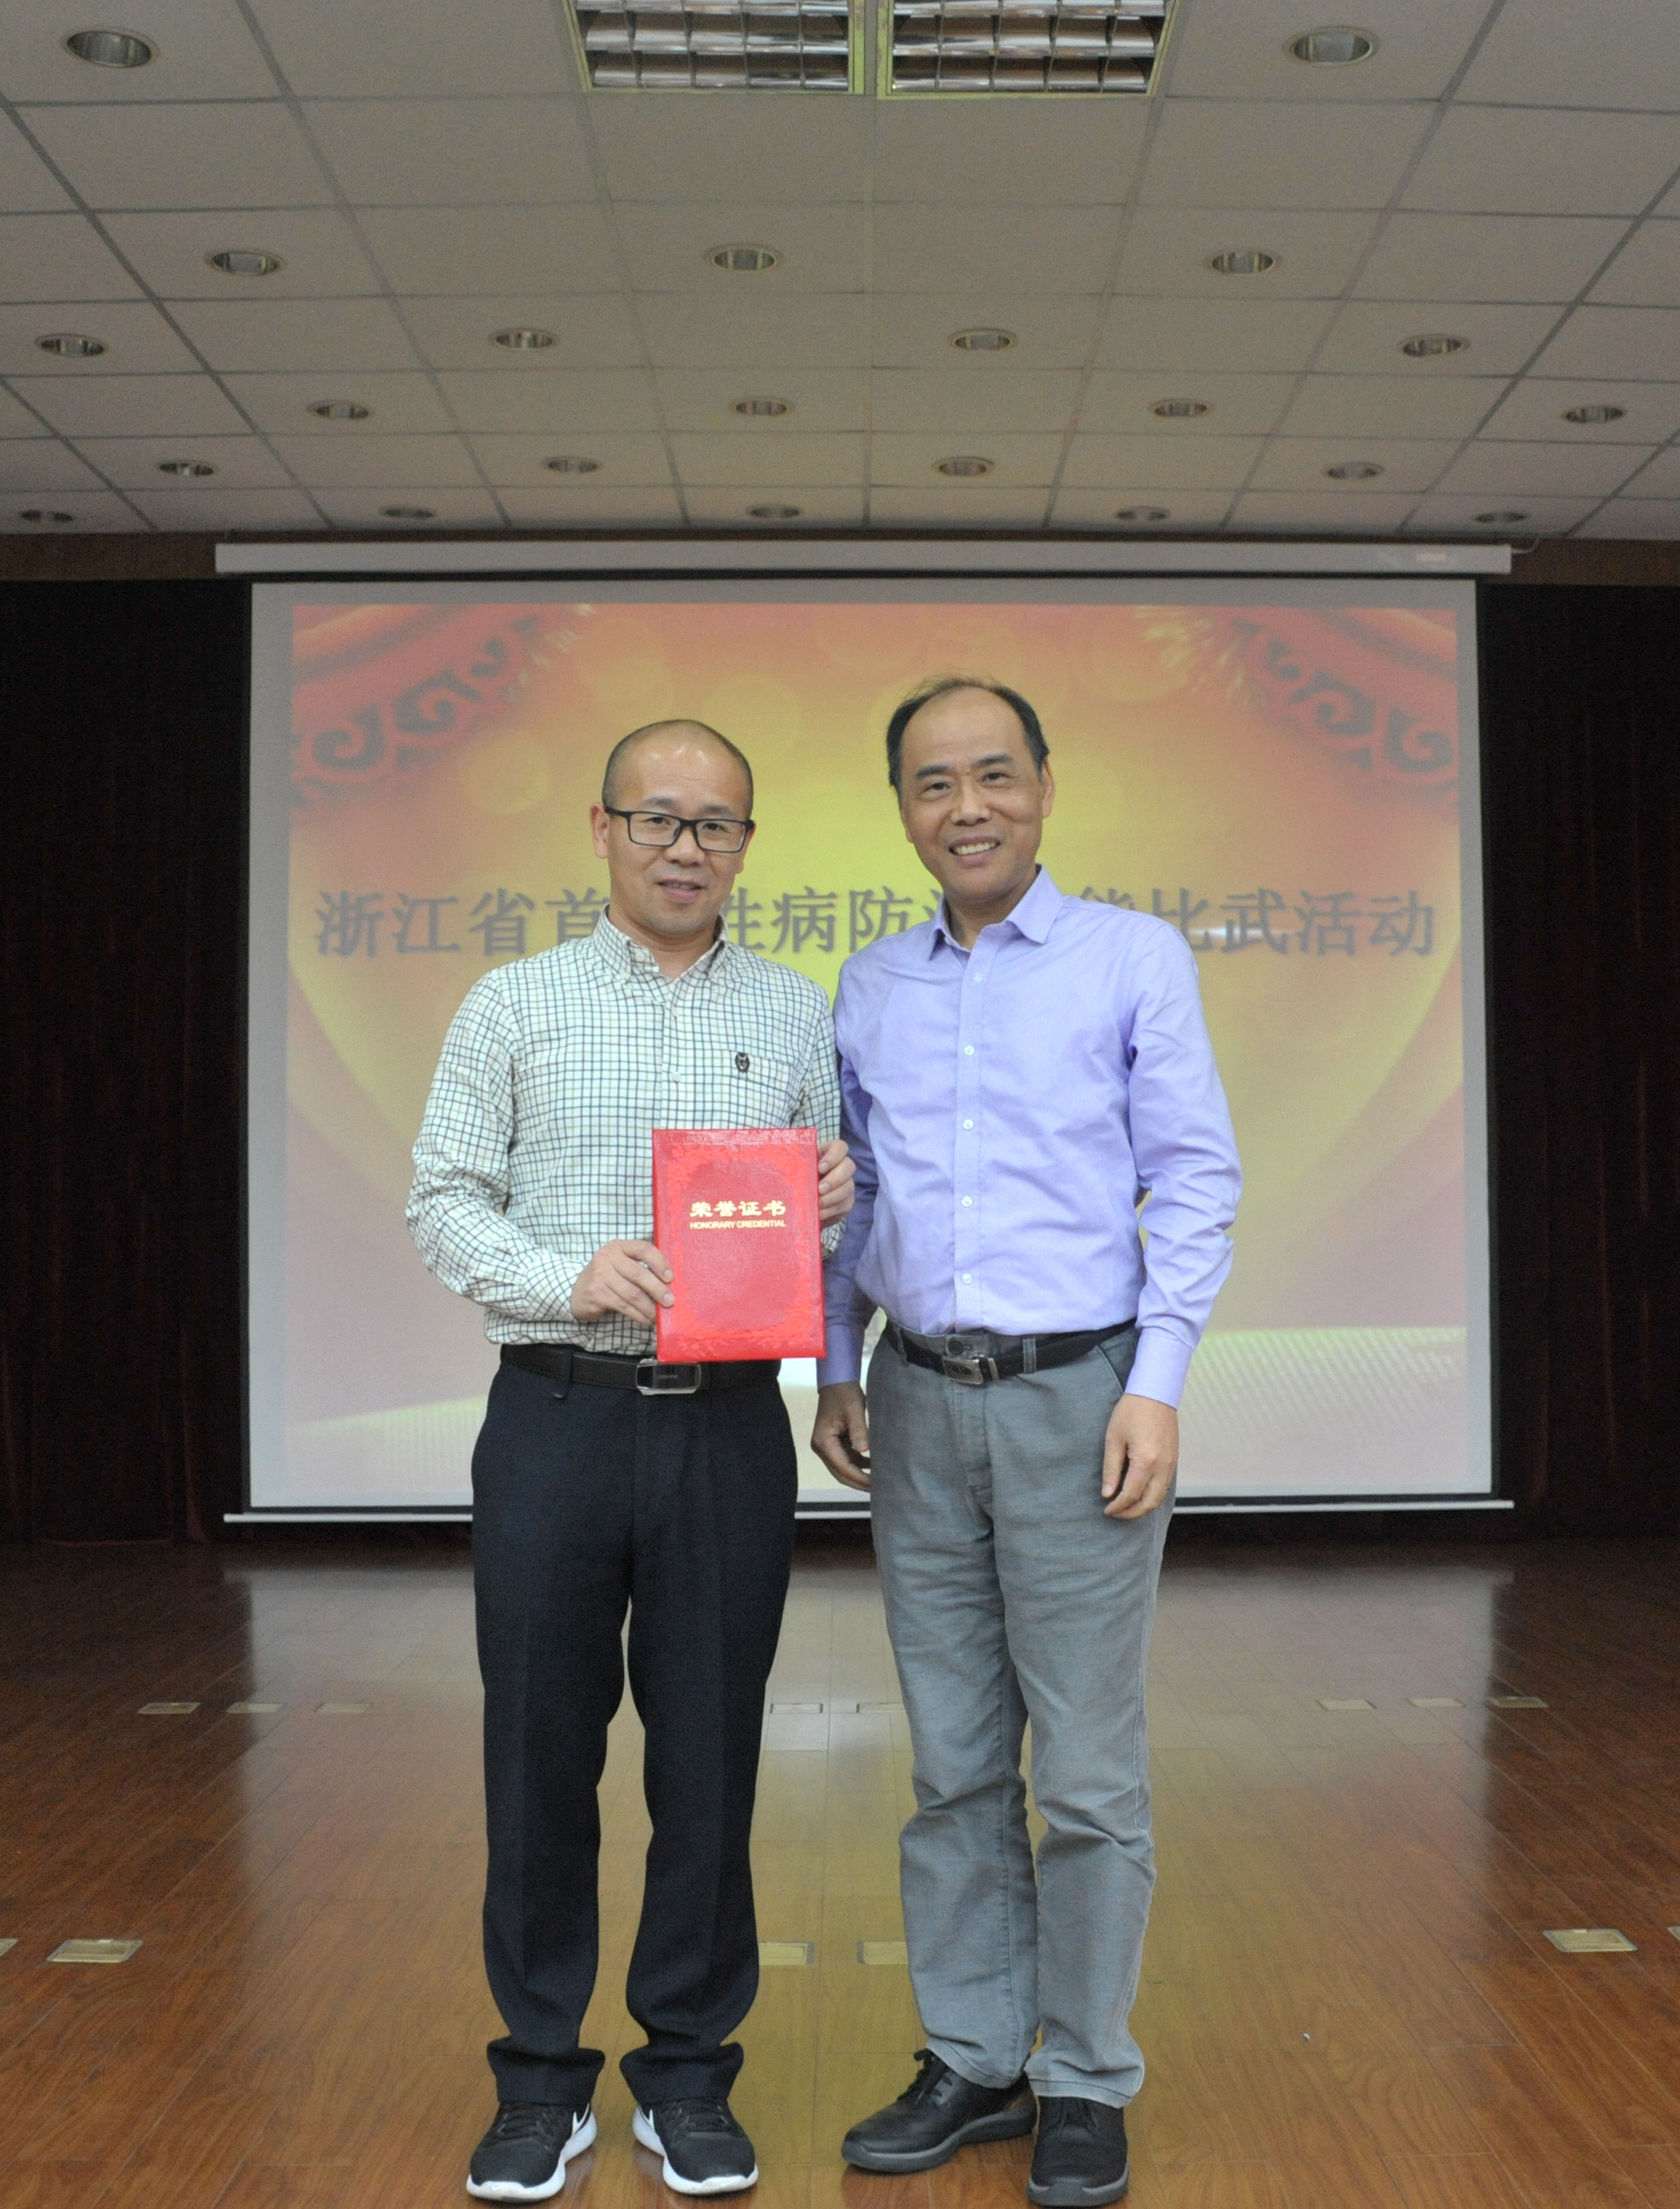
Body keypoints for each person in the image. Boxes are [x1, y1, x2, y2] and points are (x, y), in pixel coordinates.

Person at [408, 718, 854, 2204]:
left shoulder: (794, 1012)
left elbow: (821, 1229)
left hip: (727, 1426)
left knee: (711, 1753)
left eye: (716, 825)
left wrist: (835, 1192)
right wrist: (565, 1276)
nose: (686, 848)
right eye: (658, 819)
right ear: (601, 828)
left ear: (747, 845)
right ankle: (540, 2080)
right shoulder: (514, 1002)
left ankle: (688, 2075)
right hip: (558, 1413)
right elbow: (441, 1200)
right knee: (539, 1748)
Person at [810, 677, 1241, 2209]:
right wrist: (833, 1364)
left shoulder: (1132, 958)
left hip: (1081, 1396)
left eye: (994, 775)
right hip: (917, 1399)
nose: (967, 807)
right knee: (952, 1766)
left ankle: (1085, 2075)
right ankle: (977, 2057)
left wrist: (1157, 1382)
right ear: (902, 810)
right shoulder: (870, 982)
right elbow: (851, 1194)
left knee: (1090, 1775)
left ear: (1045, 786)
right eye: (934, 783)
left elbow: (1194, 1177)